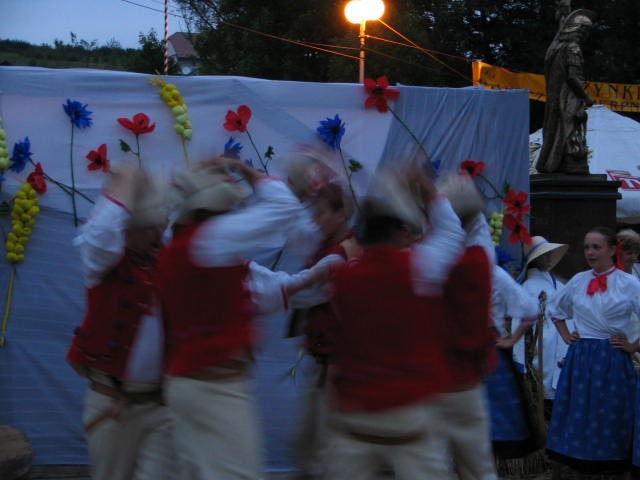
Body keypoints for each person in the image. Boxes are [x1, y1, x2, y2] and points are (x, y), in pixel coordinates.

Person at [155, 158, 324, 480]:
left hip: (190, 383)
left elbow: (258, 290)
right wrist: (243, 168)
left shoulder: (185, 246)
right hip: (214, 388)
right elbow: (283, 207)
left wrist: (312, 278)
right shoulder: (211, 239)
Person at [325, 166, 467, 480]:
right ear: (401, 231)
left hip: (356, 410)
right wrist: (427, 189)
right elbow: (452, 235)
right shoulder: (420, 268)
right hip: (408, 411)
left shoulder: (345, 277)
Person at [66, 167, 176, 480]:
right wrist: (125, 185)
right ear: (127, 228)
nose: (157, 234)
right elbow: (100, 235)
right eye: (147, 227)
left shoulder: (168, 261)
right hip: (112, 404)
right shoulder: (103, 262)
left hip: (162, 406)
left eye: (159, 225)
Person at [546, 226, 640, 475]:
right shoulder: (579, 280)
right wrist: (567, 335)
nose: (590, 252)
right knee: (580, 409)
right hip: (581, 356)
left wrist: (633, 345)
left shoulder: (629, 283)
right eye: (587, 247)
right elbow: (555, 310)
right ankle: (578, 462)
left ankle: (611, 463)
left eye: (596, 247)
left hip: (611, 355)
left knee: (609, 410)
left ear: (612, 250)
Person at [430, 174, 499, 480]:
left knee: (435, 466)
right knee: (475, 467)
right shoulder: (479, 259)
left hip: (442, 378)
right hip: (467, 379)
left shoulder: (447, 265)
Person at [484, 263, 541, 460]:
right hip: (455, 356)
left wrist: (512, 339)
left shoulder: (494, 273)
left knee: (487, 433)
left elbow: (531, 309)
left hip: (486, 358)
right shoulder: (443, 266)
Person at [536, 8, 596, 174]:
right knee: (571, 128)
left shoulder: (556, 49)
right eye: (585, 30)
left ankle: (554, 161)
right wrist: (586, 97)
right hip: (569, 97)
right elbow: (572, 77)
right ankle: (571, 160)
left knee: (559, 127)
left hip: (557, 98)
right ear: (578, 30)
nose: (586, 35)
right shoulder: (573, 48)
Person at [520, 236, 571, 413]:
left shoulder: (558, 284)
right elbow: (521, 321)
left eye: (550, 253)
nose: (549, 257)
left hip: (564, 337)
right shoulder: (528, 286)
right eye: (544, 254)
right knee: (545, 380)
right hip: (544, 340)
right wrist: (520, 359)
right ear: (534, 259)